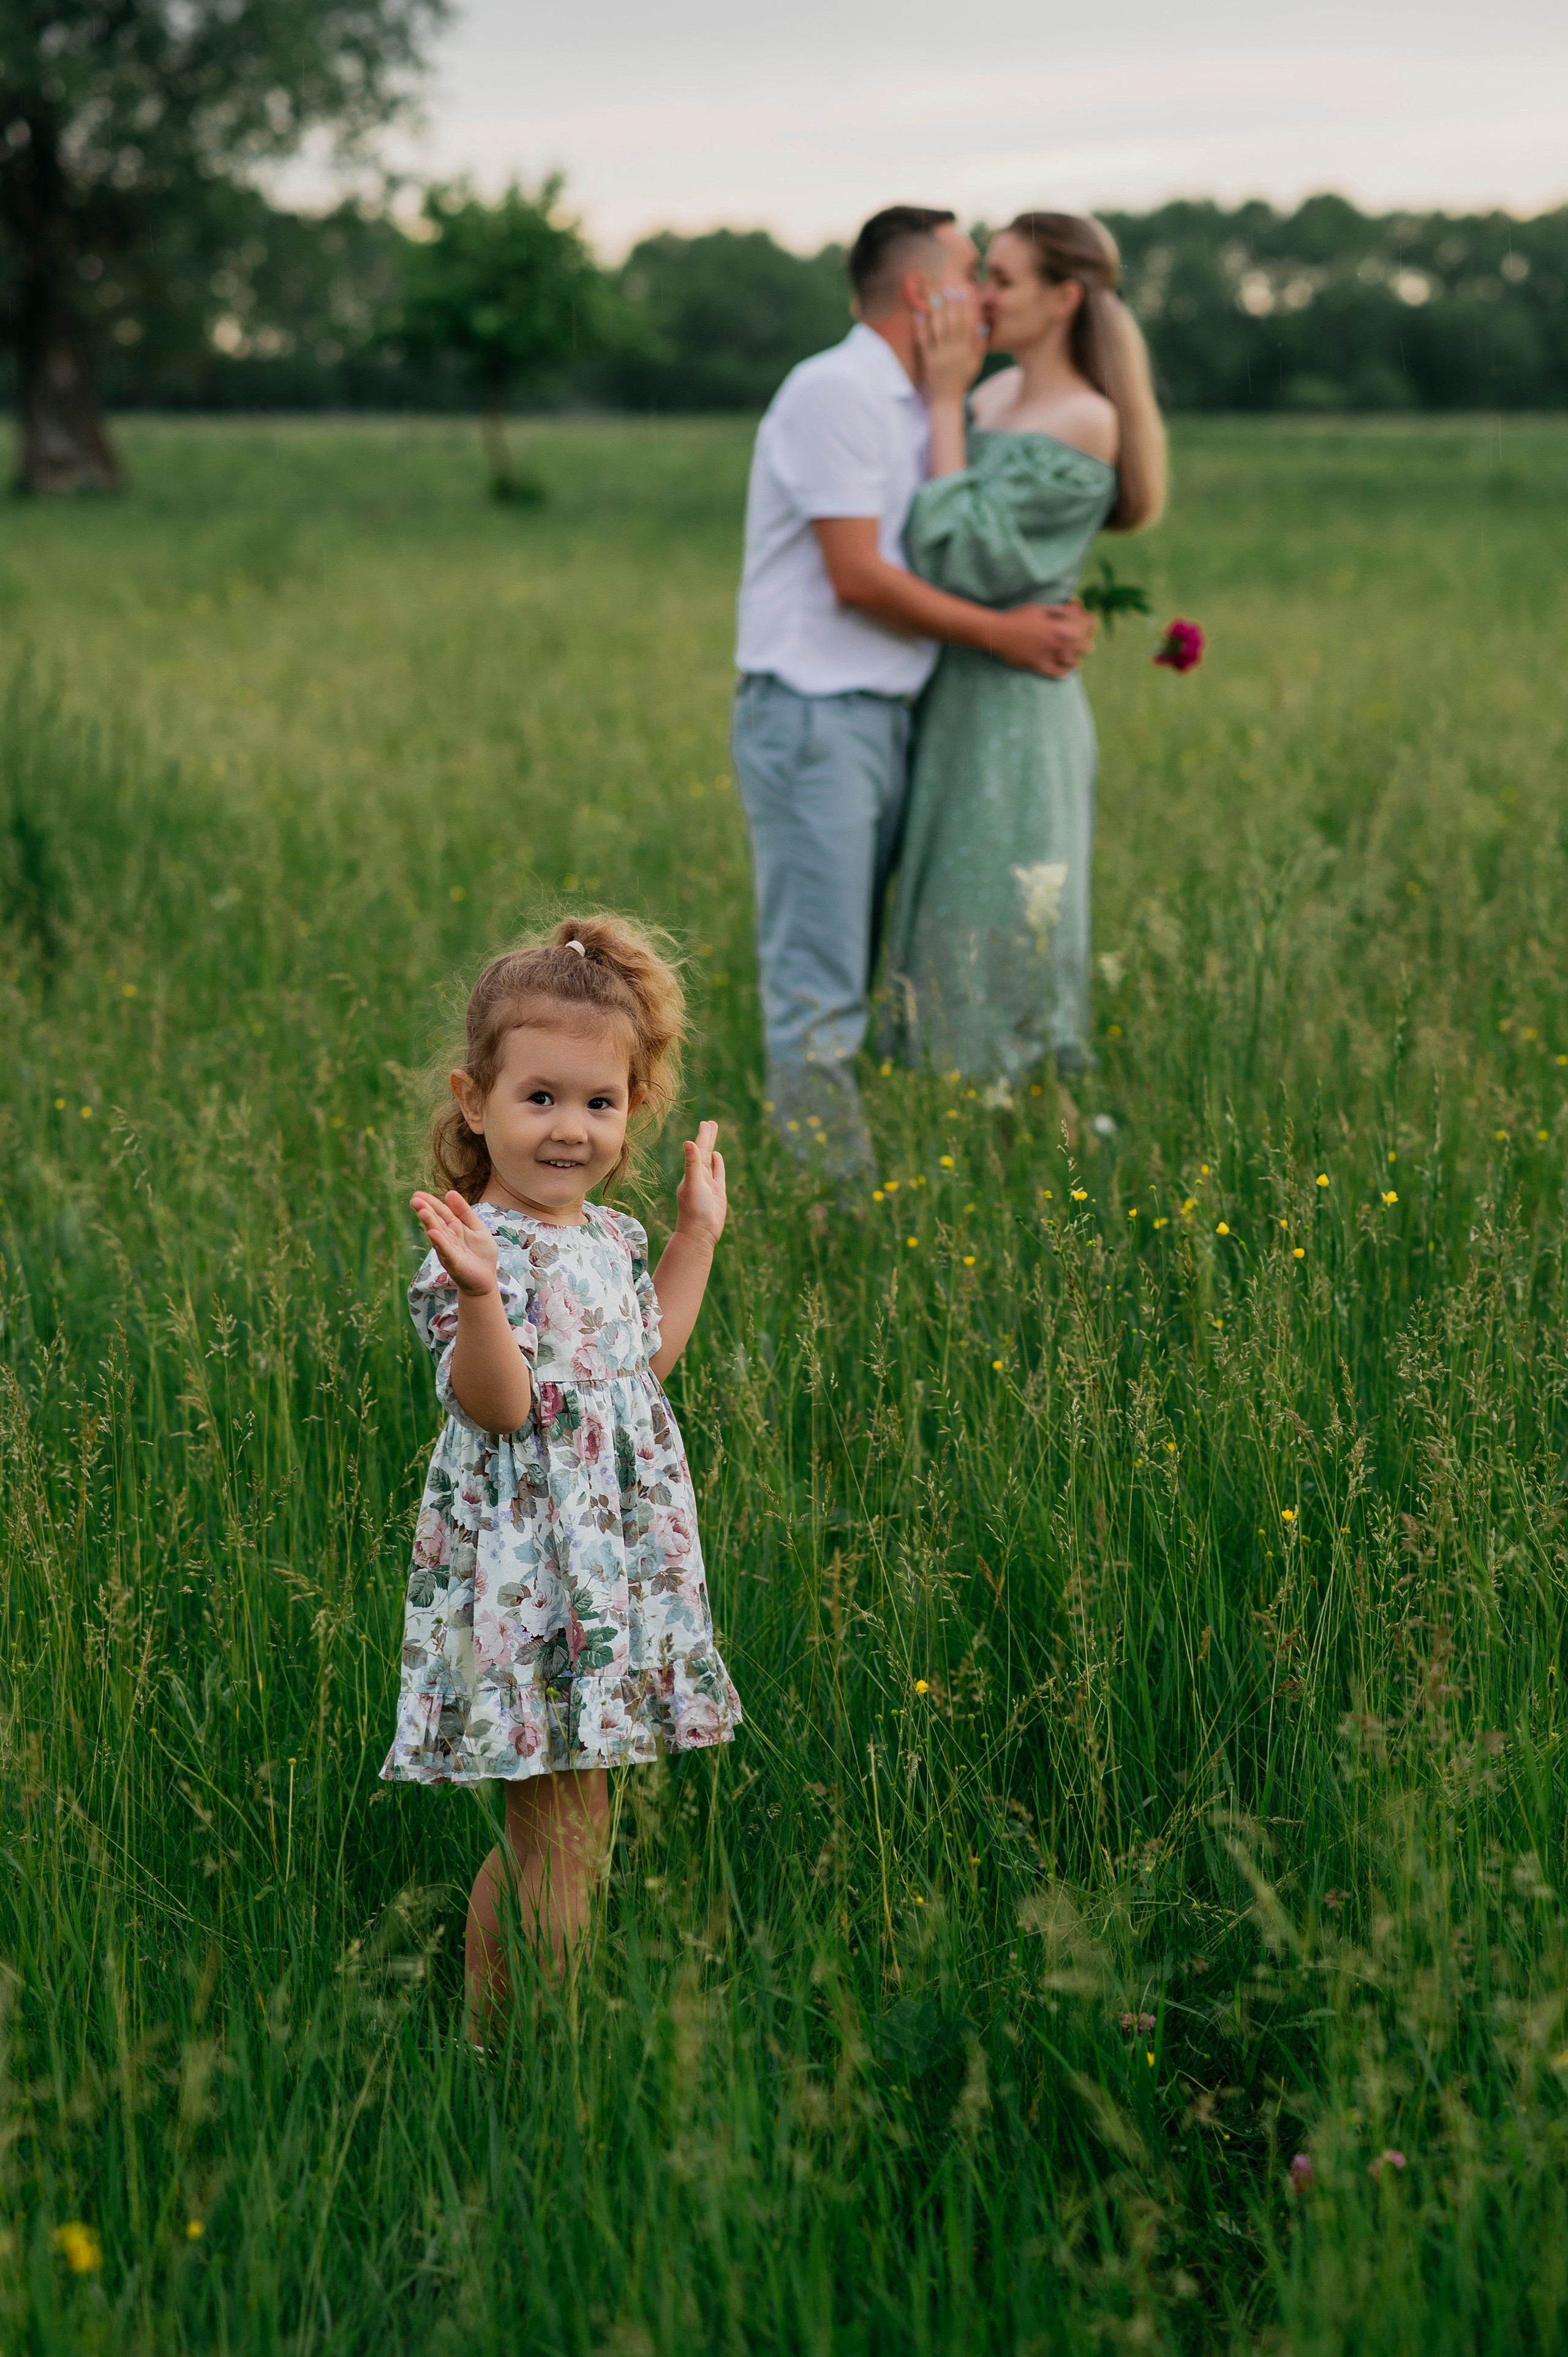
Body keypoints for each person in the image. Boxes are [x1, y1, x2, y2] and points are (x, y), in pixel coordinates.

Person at [382, 916, 741, 2024]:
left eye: (600, 1103)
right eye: (540, 1098)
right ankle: (527, 2040)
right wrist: (483, 1294)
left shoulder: (610, 1239)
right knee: (560, 1826)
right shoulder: (476, 1243)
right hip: (536, 1575)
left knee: (573, 1824)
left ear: (635, 1107)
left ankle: (519, 2030)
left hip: (611, 1570)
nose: (570, 1130)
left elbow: (646, 1364)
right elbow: (501, 1404)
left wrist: (694, 1239)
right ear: (474, 1096)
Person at [731, 205, 1096, 1180]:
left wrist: (1053, 610)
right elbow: (857, 575)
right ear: (918, 291)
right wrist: (1005, 635)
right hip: (817, 718)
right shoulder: (836, 390)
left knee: (885, 973)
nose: (982, 294)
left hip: (891, 720)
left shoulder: (923, 401)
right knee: (820, 988)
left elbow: (966, 546)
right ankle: (830, 1212)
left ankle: (897, 1170)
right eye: (971, 271)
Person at [885, 212, 1166, 1097]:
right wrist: (953, 404)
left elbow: (959, 556)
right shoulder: (989, 399)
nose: (980, 296)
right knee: (942, 902)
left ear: (1064, 298)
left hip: (1017, 709)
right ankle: (939, 1098)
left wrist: (939, 406)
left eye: (1003, 279)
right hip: (954, 690)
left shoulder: (1085, 418)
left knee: (1006, 900)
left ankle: (1017, 1106)